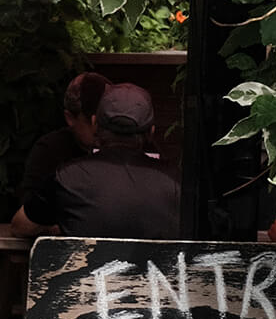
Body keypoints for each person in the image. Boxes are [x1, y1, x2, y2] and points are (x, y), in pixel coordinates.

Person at [11, 82, 180, 239]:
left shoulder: (67, 177)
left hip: (85, 272)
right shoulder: (177, 184)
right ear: (151, 131)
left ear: (94, 124)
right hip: (155, 272)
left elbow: (20, 227)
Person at [15, 71, 110, 206]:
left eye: (105, 121)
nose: (98, 130)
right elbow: (28, 211)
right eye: (91, 122)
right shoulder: (50, 151)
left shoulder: (126, 146)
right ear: (70, 118)